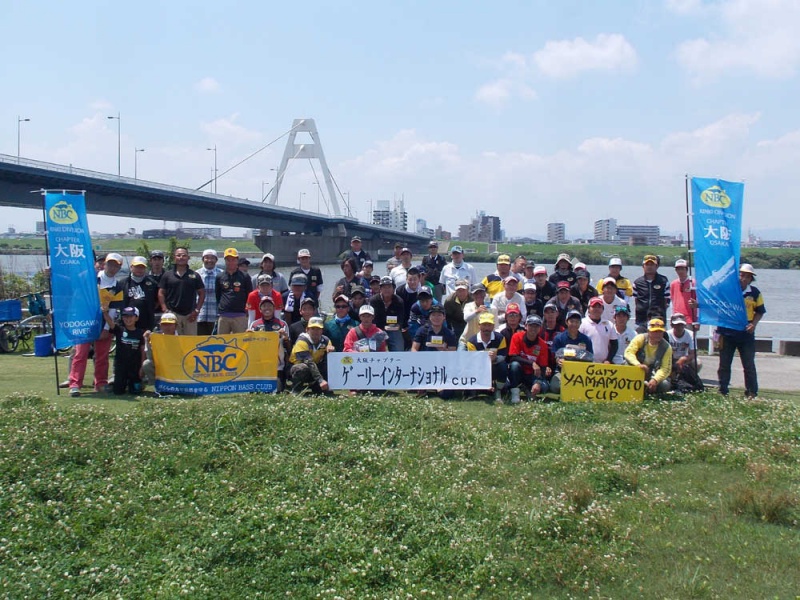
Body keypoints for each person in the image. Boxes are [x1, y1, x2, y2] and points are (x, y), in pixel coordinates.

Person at [69, 252, 125, 397]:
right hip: (85, 322)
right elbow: (75, 295)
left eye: (116, 266)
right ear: (104, 264)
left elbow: (113, 309)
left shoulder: (117, 286)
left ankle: (100, 383)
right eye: (110, 264)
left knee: (102, 356)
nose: (112, 268)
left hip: (104, 323)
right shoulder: (89, 278)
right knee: (80, 354)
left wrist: (107, 328)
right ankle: (75, 384)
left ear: (119, 268)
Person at [717, 263, 766, 398]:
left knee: (749, 364)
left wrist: (754, 324)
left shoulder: (755, 293)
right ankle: (723, 390)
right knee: (724, 363)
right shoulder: (727, 290)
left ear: (751, 279)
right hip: (727, 331)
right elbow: (713, 303)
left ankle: (751, 392)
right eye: (741, 275)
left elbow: (760, 311)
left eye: (747, 276)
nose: (743, 278)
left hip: (746, 333)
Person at [158, 247, 205, 335]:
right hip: (172, 314)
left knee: (190, 342)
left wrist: (197, 310)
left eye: (184, 255)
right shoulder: (167, 275)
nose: (181, 258)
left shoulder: (195, 275)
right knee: (173, 341)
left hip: (190, 315)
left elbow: (202, 293)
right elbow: (161, 292)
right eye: (178, 255)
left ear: (188, 258)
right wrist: (164, 308)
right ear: (174, 257)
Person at [465, 312, 508, 403]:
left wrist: (495, 358)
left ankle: (498, 390)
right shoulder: (472, 341)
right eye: (484, 325)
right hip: (478, 368)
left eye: (489, 325)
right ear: (479, 325)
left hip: (494, 366)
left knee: (503, 365)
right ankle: (474, 391)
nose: (486, 328)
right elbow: (472, 360)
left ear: (493, 326)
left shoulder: (500, 338)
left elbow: (503, 356)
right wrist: (485, 359)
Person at [507, 315, 552, 404]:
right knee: (514, 365)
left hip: (532, 375)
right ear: (526, 326)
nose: (533, 329)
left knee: (544, 387)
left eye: (536, 326)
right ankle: (515, 392)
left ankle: (528, 389)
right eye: (531, 325)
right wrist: (532, 363)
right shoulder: (517, 337)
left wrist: (538, 383)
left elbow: (543, 367)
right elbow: (513, 357)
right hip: (518, 372)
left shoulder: (543, 345)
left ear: (540, 328)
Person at [249, 296, 290, 391]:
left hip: (277, 366)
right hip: (260, 366)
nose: (267, 308)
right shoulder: (254, 325)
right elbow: (249, 347)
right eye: (264, 306)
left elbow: (288, 347)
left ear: (274, 308)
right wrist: (247, 336)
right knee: (257, 392)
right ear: (260, 309)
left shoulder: (282, 324)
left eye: (269, 305)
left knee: (277, 391)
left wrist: (286, 338)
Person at [624, 317, 673, 395]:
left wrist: (655, 380)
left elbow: (665, 368)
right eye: (655, 331)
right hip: (637, 369)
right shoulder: (640, 338)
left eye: (660, 332)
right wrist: (638, 364)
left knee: (665, 385)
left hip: (652, 373)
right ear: (648, 331)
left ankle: (647, 387)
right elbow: (628, 352)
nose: (658, 334)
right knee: (626, 364)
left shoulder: (667, 347)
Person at [550, 310, 594, 394]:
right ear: (566, 322)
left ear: (580, 323)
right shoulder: (559, 338)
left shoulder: (586, 339)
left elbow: (590, 357)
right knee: (556, 387)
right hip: (562, 371)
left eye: (577, 322)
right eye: (572, 321)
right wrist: (558, 360)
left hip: (581, 372)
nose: (574, 324)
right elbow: (555, 355)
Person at [104, 305, 145, 396]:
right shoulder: (120, 330)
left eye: (130, 316)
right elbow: (110, 323)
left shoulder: (141, 333)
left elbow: (143, 351)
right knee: (118, 392)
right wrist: (105, 312)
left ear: (136, 318)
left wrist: (142, 367)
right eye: (125, 316)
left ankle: (139, 384)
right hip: (121, 366)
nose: (128, 319)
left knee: (135, 392)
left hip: (135, 367)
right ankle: (116, 383)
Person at [289, 317, 335, 395]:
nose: (315, 332)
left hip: (315, 370)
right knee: (302, 368)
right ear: (307, 330)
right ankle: (296, 389)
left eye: (318, 329)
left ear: (322, 331)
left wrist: (332, 351)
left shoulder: (326, 341)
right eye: (313, 328)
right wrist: (320, 380)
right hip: (296, 369)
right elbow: (309, 362)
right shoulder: (302, 341)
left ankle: (318, 388)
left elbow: (331, 360)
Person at [215, 247, 253, 334]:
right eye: (228, 260)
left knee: (241, 343)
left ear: (237, 261)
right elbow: (218, 295)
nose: (230, 262)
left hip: (240, 315)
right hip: (224, 315)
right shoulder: (219, 276)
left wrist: (247, 311)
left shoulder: (245, 276)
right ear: (225, 261)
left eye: (233, 259)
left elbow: (249, 294)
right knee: (222, 342)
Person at [121, 255, 158, 333]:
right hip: (127, 322)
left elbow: (157, 300)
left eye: (142, 267)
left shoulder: (152, 283)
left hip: (146, 322)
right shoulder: (123, 282)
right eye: (137, 267)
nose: (139, 269)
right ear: (131, 267)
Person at [633, 254, 670, 330]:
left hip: (659, 319)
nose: (649, 267)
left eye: (652, 264)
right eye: (647, 264)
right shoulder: (637, 283)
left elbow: (666, 301)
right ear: (643, 266)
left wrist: (660, 312)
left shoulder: (663, 281)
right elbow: (636, 301)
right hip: (641, 320)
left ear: (656, 266)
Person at [141, 311, 178, 387]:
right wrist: (147, 341)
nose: (167, 327)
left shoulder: (182, 338)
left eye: (170, 324)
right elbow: (150, 357)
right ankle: (155, 385)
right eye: (164, 324)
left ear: (176, 326)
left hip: (176, 366)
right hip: (161, 366)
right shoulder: (156, 338)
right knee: (147, 364)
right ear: (160, 326)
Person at [370, 276, 406, 352]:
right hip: (378, 329)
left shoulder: (399, 301)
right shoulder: (374, 301)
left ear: (393, 288)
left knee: (399, 349)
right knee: (372, 349)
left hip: (394, 329)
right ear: (380, 289)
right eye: (384, 287)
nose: (387, 290)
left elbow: (400, 321)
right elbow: (373, 320)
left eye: (389, 287)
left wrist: (394, 327)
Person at [579, 296, 618, 364]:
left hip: (603, 364)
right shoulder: (581, 323)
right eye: (594, 306)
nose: (596, 309)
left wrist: (608, 359)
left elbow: (614, 344)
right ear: (588, 309)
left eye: (599, 307)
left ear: (603, 309)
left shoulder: (609, 324)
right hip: (584, 363)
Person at [668, 312, 702, 390]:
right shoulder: (667, 334)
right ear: (672, 325)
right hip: (670, 358)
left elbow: (693, 353)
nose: (679, 327)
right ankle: (672, 379)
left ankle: (689, 378)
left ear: (685, 324)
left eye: (681, 324)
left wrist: (683, 359)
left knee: (698, 363)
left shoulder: (691, 334)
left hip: (684, 359)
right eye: (677, 325)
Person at [459, 283, 495, 349]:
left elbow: (495, 327)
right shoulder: (468, 306)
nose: (479, 295)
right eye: (476, 293)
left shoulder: (492, 308)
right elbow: (466, 318)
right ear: (472, 296)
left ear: (485, 294)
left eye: (481, 293)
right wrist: (477, 311)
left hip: (484, 342)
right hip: (466, 341)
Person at [196, 249, 222, 335]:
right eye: (207, 258)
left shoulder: (222, 274)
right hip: (199, 315)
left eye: (212, 258)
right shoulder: (196, 274)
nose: (209, 260)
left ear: (216, 260)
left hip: (216, 315)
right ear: (203, 259)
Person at [670, 259, 698, 330]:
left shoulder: (694, 283)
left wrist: (698, 321)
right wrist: (671, 316)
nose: (680, 271)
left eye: (682, 269)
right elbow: (672, 302)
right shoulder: (673, 284)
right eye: (678, 269)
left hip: (690, 319)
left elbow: (699, 302)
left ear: (686, 269)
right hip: (676, 318)